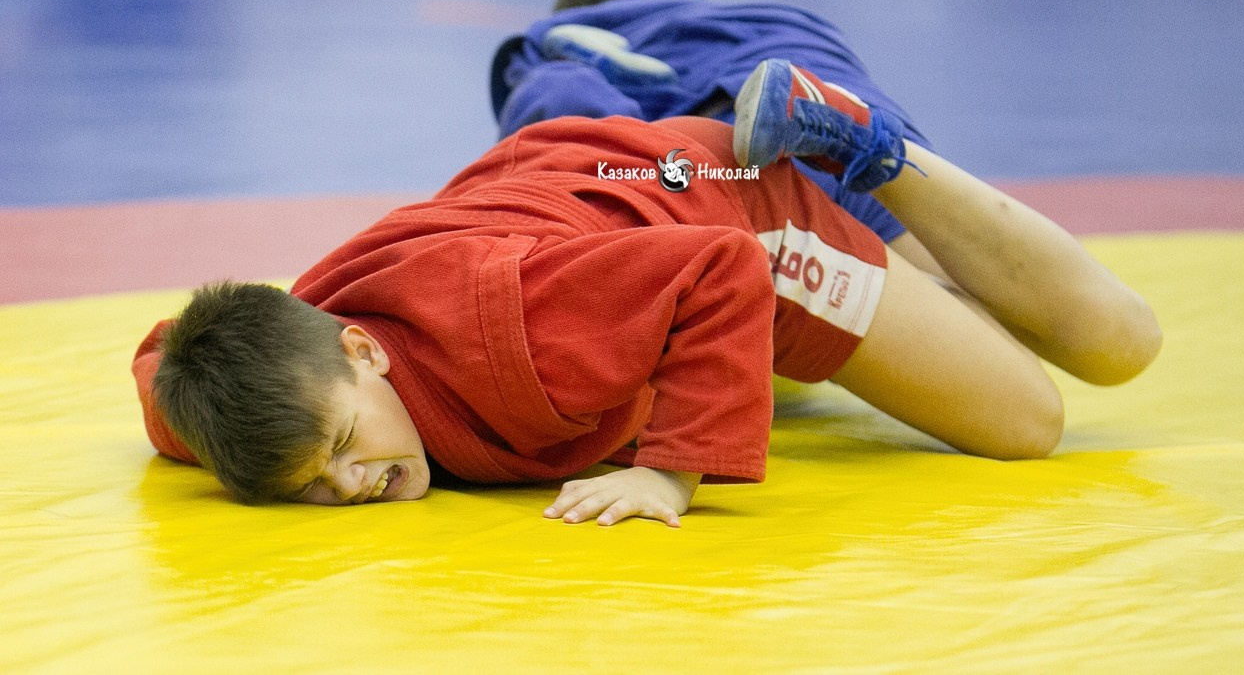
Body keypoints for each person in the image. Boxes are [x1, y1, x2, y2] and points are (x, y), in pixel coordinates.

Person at [131, 58, 1161, 528]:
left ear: (363, 348)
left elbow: (717, 273)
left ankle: (861, 140)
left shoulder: (520, 329)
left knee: (1063, 388)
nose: (347, 481)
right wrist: (249, 433)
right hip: (586, 195)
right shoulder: (251, 407)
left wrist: (674, 473)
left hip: (726, 214)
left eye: (345, 444)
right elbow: (169, 354)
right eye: (311, 483)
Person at [490, 0, 949, 278]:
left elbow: (565, 150)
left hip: (736, 179)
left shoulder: (549, 53)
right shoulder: (768, 24)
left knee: (566, 232)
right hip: (882, 156)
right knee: (972, 313)